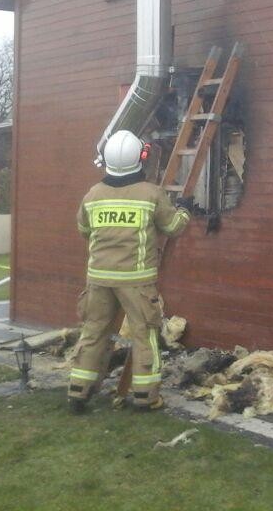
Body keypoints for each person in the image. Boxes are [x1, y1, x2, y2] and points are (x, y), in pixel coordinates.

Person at [68, 130, 191, 413]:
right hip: (136, 281)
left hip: (98, 279)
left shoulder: (93, 195)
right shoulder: (151, 194)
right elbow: (173, 227)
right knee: (144, 334)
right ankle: (146, 397)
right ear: (141, 157)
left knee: (93, 333)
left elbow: (84, 230)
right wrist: (184, 210)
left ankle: (78, 391)